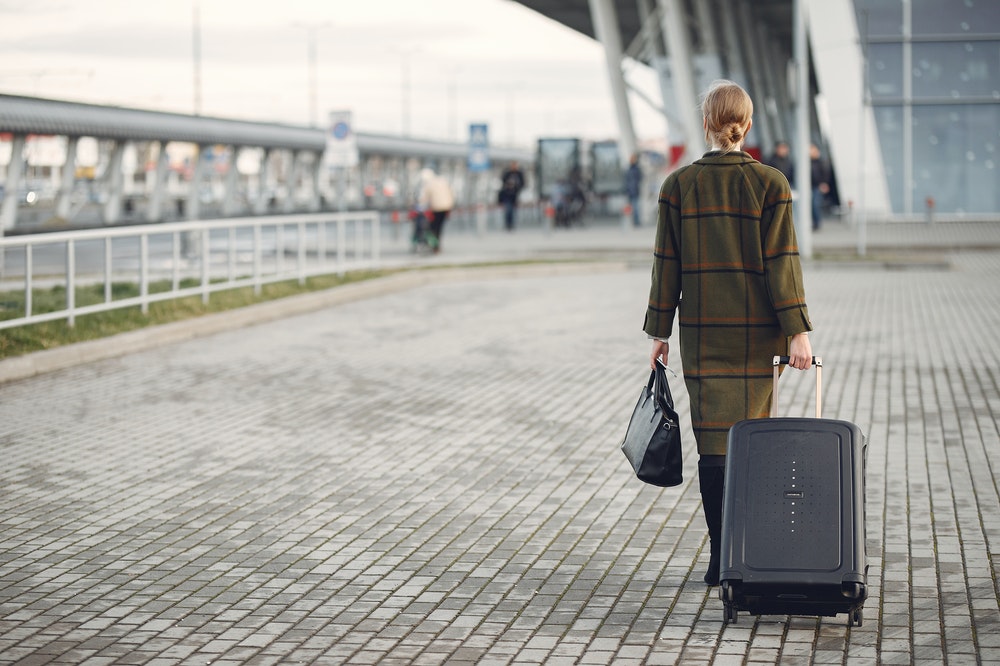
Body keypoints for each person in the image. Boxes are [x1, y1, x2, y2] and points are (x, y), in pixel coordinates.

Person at [643, 80, 814, 586]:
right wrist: (798, 332)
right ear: (748, 123)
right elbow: (783, 265)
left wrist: (659, 332)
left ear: (706, 124)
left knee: (713, 446)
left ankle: (721, 556)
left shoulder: (678, 185)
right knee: (751, 442)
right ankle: (746, 553)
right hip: (758, 336)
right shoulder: (771, 183)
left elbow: (664, 266)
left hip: (702, 335)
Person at [417, 167, 454, 253]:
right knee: (440, 226)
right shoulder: (443, 180)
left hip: (436, 208)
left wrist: (419, 204)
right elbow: (451, 192)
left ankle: (435, 245)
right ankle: (437, 245)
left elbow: (424, 198)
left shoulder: (429, 184)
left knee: (434, 227)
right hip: (446, 207)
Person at [497, 161, 525, 231]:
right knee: (508, 210)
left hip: (515, 195)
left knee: (513, 210)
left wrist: (517, 188)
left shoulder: (519, 174)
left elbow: (522, 183)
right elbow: (503, 181)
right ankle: (508, 224)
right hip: (507, 195)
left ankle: (512, 223)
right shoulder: (507, 173)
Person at [810, 144, 831, 230]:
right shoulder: (805, 162)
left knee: (815, 204)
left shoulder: (822, 162)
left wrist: (824, 184)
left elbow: (826, 174)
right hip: (808, 187)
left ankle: (816, 223)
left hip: (817, 187)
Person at [624, 153, 643, 227]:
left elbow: (639, 179)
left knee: (635, 207)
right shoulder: (629, 169)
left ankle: (636, 221)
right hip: (630, 191)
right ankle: (633, 221)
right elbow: (626, 180)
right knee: (632, 207)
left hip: (634, 190)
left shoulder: (636, 169)